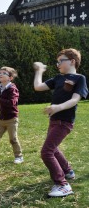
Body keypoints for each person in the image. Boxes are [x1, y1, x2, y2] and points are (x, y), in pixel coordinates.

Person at [33, 48, 88, 198]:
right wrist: (39, 71)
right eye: (57, 62)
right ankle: (68, 171)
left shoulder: (79, 78)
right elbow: (38, 87)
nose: (57, 64)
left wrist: (58, 107)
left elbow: (75, 99)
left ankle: (63, 185)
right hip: (54, 120)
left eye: (60, 61)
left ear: (72, 61)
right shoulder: (57, 78)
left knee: (47, 151)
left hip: (64, 121)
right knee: (53, 148)